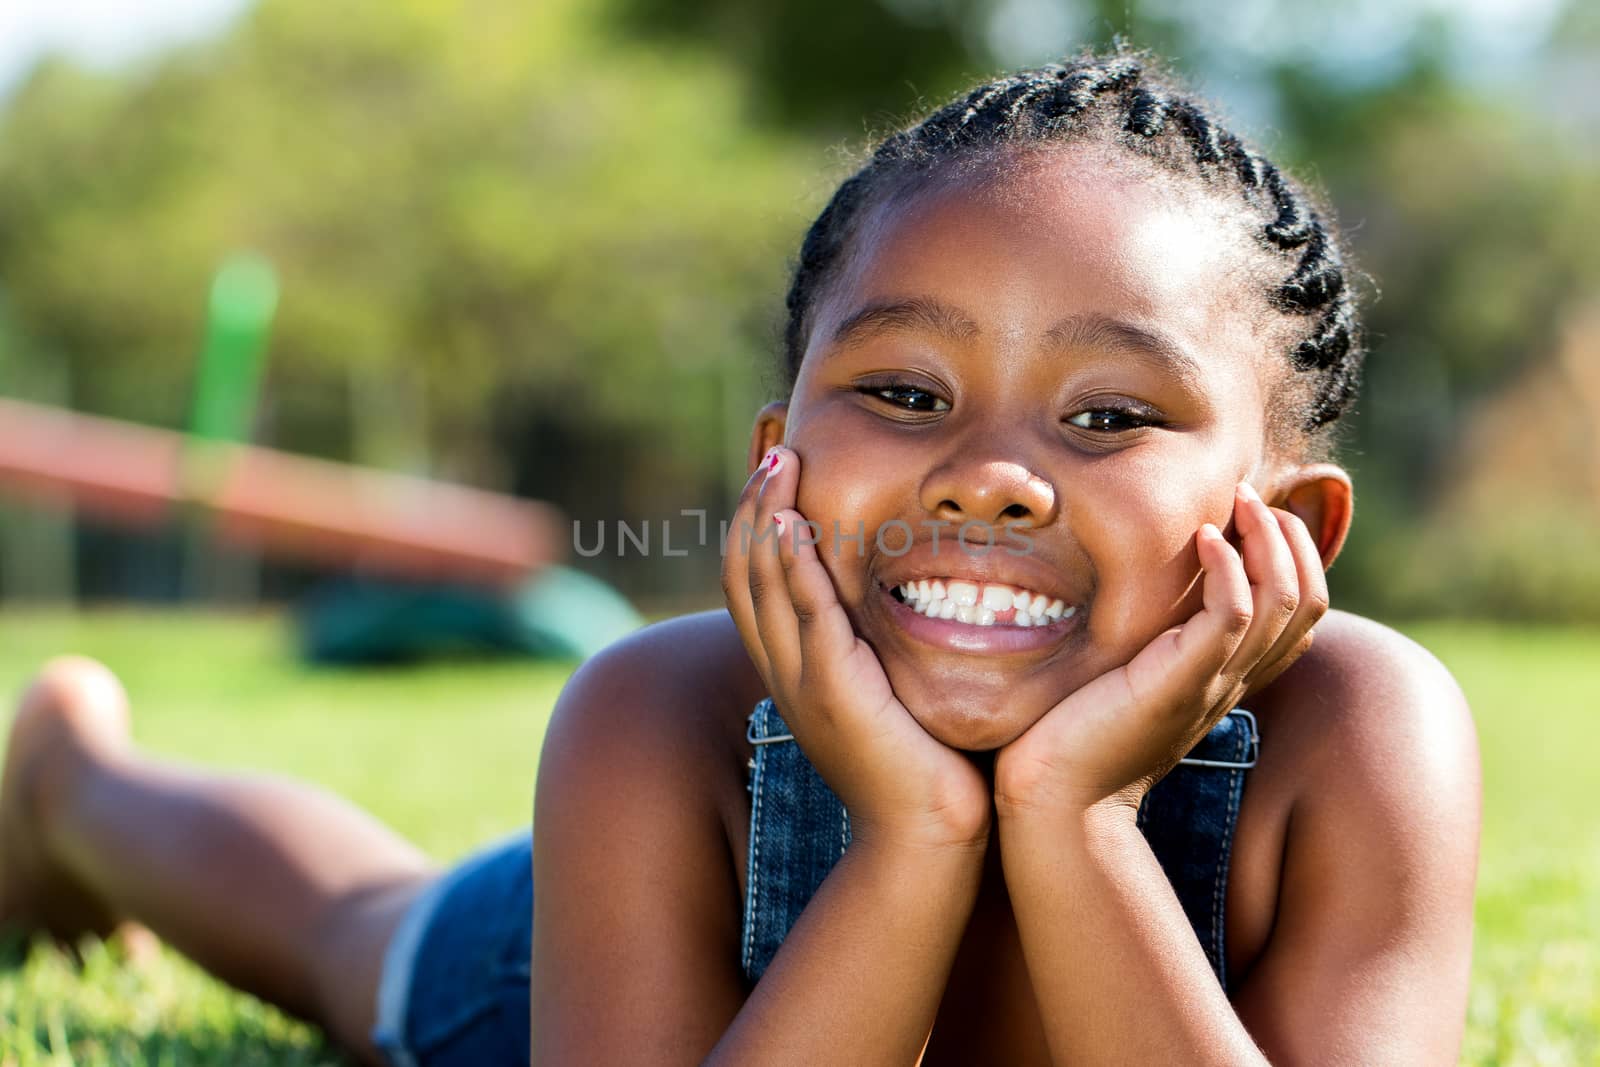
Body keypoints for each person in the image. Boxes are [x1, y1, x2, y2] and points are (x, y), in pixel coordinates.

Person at [0, 46, 1481, 1066]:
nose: (990, 480)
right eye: (903, 394)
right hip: (630, 964)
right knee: (358, 943)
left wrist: (1077, 821)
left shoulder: (1357, 739)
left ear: (1290, 531)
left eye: (1110, 413)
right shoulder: (665, 723)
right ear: (780, 456)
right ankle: (71, 778)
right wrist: (913, 836)